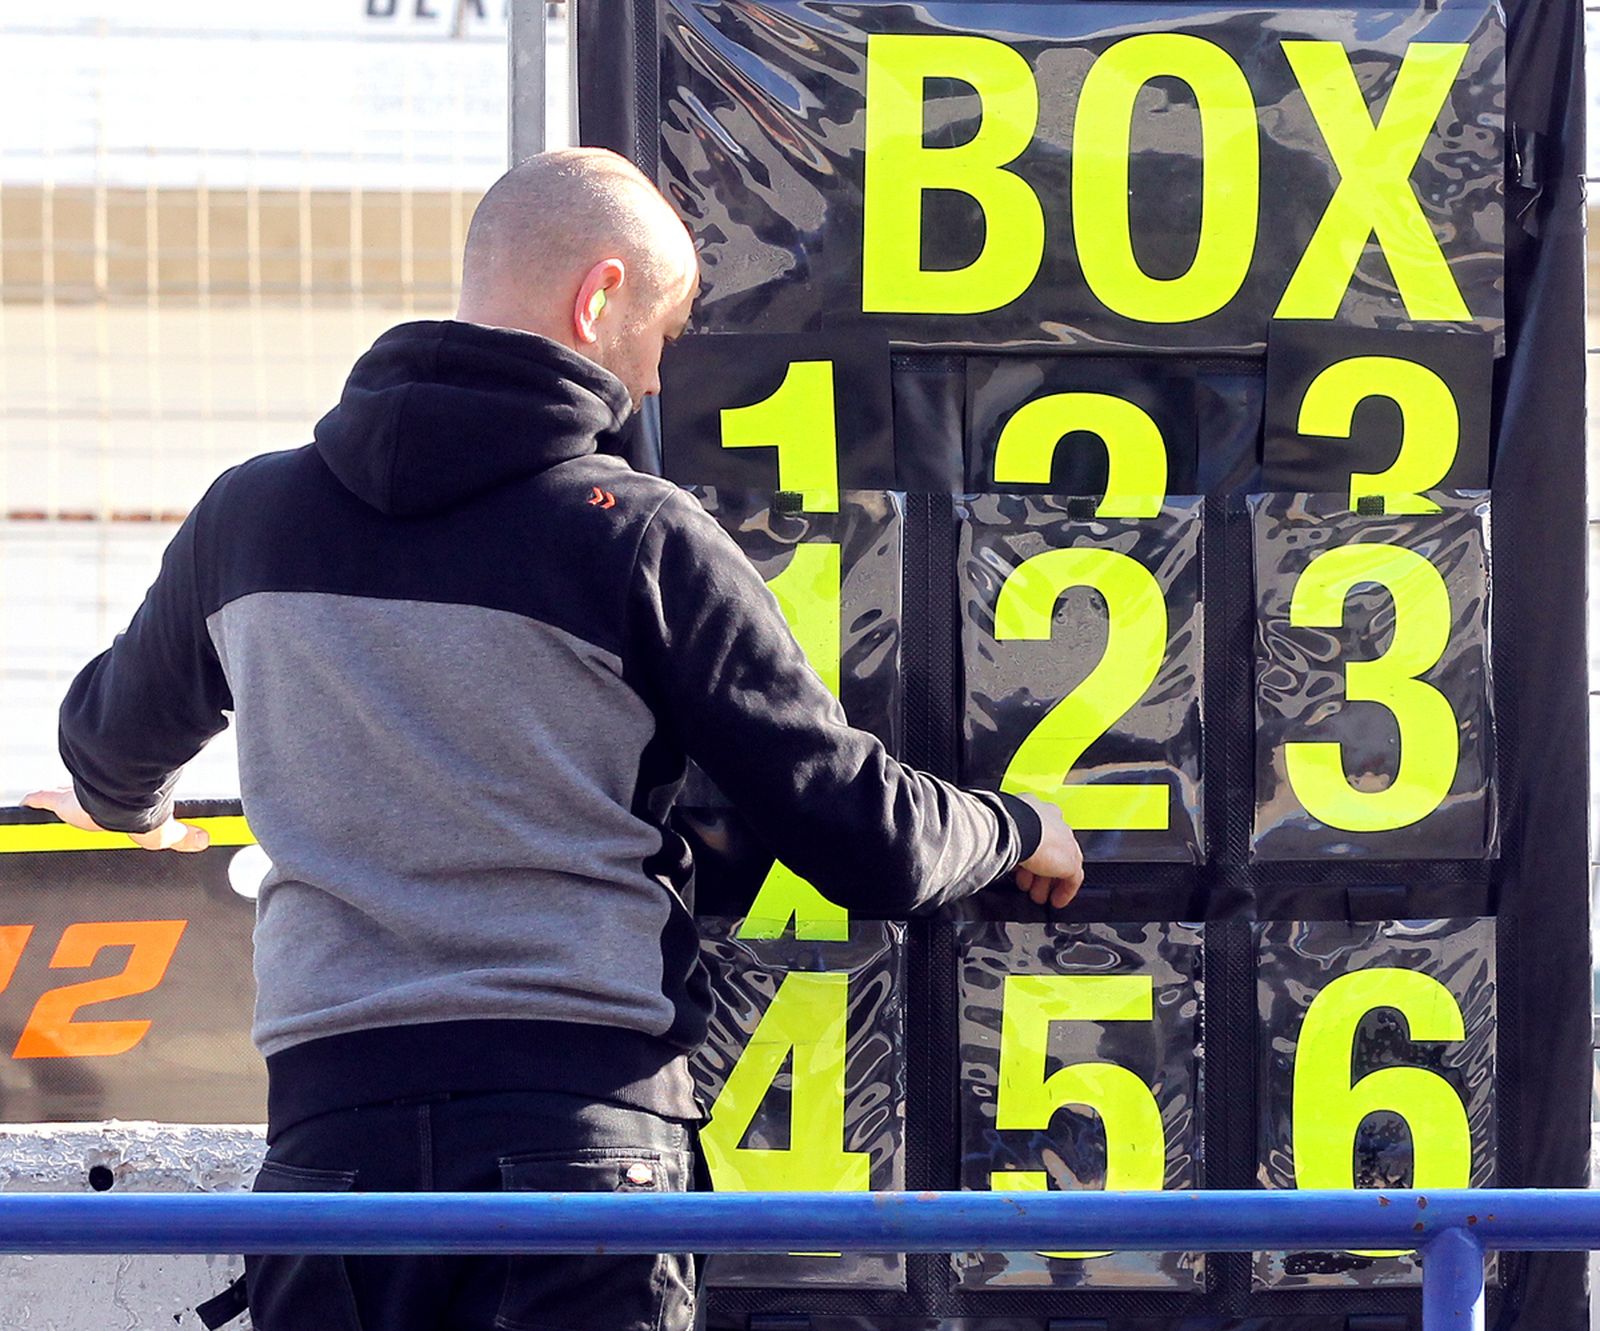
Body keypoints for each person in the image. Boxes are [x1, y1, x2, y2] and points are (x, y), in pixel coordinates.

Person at [23, 147, 1085, 1331]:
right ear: (597, 299)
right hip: (578, 1148)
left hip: (330, 1154)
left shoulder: (250, 518)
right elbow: (858, 834)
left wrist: (133, 811)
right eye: (663, 329)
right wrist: (1018, 823)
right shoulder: (633, 535)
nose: (655, 368)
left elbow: (109, 749)